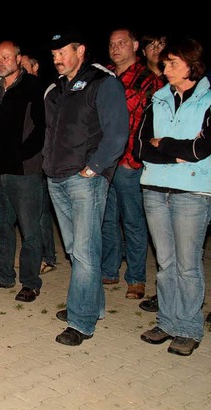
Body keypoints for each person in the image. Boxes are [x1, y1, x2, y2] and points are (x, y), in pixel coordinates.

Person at [43, 29, 128, 346]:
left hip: (85, 180)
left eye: (63, 52)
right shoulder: (55, 90)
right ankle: (93, 305)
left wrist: (94, 168)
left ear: (81, 50)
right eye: (53, 54)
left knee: (86, 252)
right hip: (56, 177)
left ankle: (81, 322)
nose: (57, 59)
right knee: (76, 250)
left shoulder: (102, 82)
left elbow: (117, 134)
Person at [135, 36, 211, 357]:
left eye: (172, 63)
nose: (165, 68)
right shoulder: (159, 98)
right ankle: (167, 322)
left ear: (191, 65)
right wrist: (174, 149)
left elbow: (201, 148)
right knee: (165, 264)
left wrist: (162, 142)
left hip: (192, 192)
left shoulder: (208, 99)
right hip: (154, 189)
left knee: (187, 265)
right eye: (165, 63)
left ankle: (189, 328)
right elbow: (141, 147)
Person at [0, 40, 46, 302]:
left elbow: (41, 129)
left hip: (24, 171)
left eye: (6, 57)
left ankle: (30, 282)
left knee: (29, 229)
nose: (0, 62)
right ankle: (3, 275)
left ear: (18, 59)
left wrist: (22, 154)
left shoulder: (34, 87)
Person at [101, 27, 163, 300]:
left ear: (135, 45)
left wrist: (133, 160)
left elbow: (150, 124)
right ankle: (109, 269)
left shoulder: (149, 79)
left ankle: (136, 278)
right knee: (107, 219)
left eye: (122, 43)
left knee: (134, 222)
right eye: (112, 44)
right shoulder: (103, 75)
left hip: (128, 162)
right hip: (104, 160)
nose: (116, 48)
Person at [138, 33, 168, 314]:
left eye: (162, 44)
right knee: (163, 244)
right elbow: (141, 131)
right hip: (151, 167)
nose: (157, 50)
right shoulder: (145, 81)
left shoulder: (187, 82)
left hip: (187, 171)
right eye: (152, 45)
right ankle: (164, 295)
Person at [22, 53, 58, 275]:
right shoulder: (24, 89)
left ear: (36, 66)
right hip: (30, 160)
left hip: (45, 158)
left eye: (25, 67)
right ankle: (39, 255)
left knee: (43, 212)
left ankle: (48, 257)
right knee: (33, 211)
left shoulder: (48, 89)